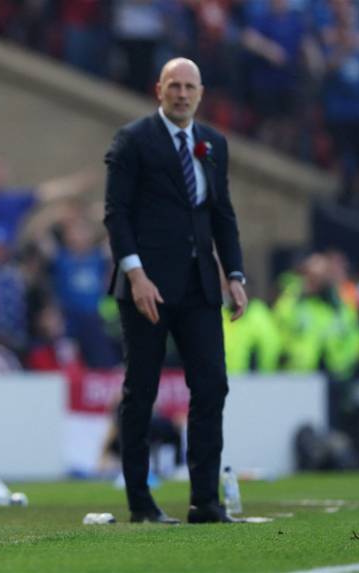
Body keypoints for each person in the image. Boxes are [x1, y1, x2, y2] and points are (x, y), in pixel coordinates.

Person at [103, 57, 248, 524]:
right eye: (174, 86)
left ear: (201, 93)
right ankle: (140, 502)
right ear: (158, 89)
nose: (182, 94)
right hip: (148, 287)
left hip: (200, 285)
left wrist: (236, 276)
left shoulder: (213, 143)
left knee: (211, 387)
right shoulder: (133, 140)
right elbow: (116, 213)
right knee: (140, 392)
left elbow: (221, 215)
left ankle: (204, 500)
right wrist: (135, 274)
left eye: (190, 87)